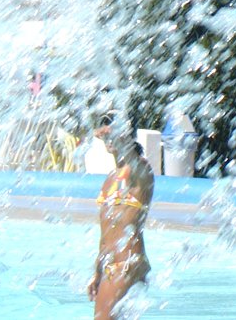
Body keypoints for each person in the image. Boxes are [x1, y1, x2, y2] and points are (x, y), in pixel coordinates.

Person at [88, 118, 154, 320]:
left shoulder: (141, 171)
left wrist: (118, 136)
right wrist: (98, 271)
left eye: (115, 132)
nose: (109, 137)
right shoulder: (109, 179)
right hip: (111, 267)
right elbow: (107, 233)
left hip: (128, 265)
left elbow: (132, 160)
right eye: (107, 132)